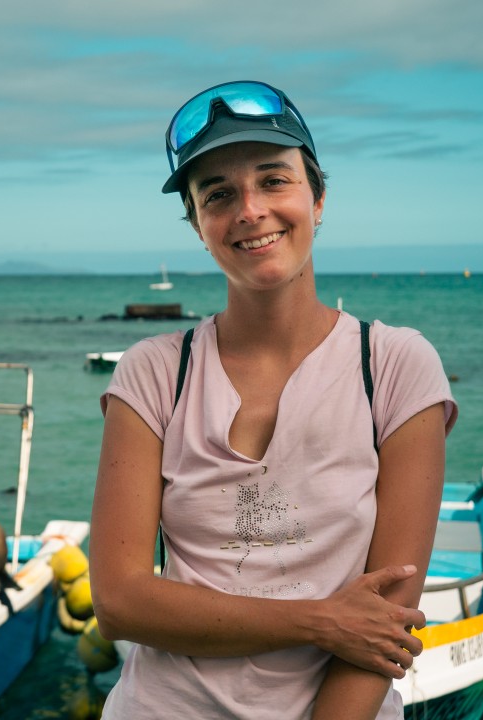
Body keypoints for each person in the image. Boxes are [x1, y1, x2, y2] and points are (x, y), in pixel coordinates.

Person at [88, 80, 458, 719]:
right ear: (199, 227)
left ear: (318, 200)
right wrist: (319, 622)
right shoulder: (154, 373)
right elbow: (120, 602)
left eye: (274, 180)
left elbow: (385, 621)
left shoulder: (394, 366)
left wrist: (347, 632)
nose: (249, 210)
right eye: (219, 195)